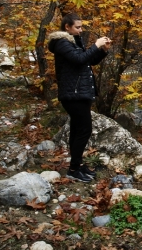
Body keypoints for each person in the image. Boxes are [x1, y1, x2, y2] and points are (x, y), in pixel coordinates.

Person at [48, 13, 112, 182]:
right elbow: (78, 59)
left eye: (81, 26)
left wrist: (102, 50)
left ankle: (76, 165)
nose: (80, 30)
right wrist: (96, 45)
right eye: (77, 27)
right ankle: (74, 169)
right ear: (67, 27)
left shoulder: (75, 41)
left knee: (77, 130)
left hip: (79, 93)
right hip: (72, 94)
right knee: (84, 130)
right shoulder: (61, 43)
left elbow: (87, 61)